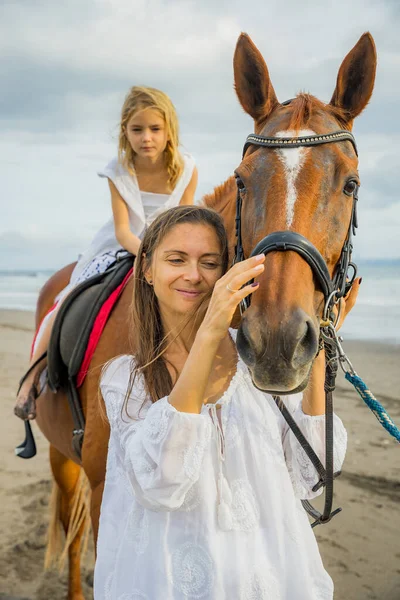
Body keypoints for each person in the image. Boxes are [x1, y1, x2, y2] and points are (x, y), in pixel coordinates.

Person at [95, 205, 359, 600]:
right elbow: (161, 483)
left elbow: (313, 473)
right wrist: (209, 332)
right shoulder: (125, 379)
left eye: (209, 262)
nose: (193, 275)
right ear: (147, 270)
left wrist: (318, 346)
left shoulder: (257, 362)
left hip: (272, 573)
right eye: (176, 259)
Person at [14, 86, 197, 420]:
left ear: (169, 130)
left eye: (155, 129)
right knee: (66, 298)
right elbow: (123, 231)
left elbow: (184, 224)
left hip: (172, 250)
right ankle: (32, 378)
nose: (146, 138)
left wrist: (173, 256)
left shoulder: (186, 169)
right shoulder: (119, 171)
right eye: (137, 129)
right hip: (122, 248)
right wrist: (151, 257)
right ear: (125, 131)